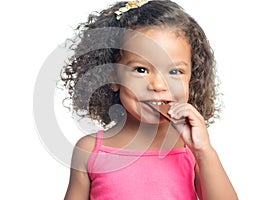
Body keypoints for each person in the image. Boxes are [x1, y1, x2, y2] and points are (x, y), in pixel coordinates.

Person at [61, 0, 238, 199]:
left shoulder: (191, 150)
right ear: (112, 77)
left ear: (192, 78)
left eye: (175, 71)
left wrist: (204, 151)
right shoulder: (90, 150)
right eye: (141, 70)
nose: (158, 85)